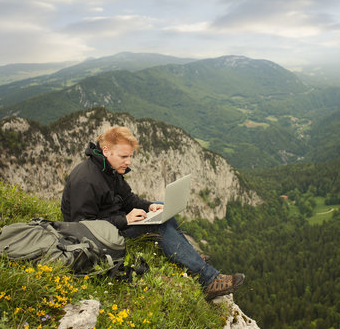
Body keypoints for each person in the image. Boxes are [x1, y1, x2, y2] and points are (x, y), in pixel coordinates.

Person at [61, 126, 244, 299]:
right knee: (157, 226)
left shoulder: (109, 169)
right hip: (96, 238)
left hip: (114, 221)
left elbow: (128, 198)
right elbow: (82, 226)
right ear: (106, 150)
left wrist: (149, 207)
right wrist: (124, 220)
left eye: (130, 156)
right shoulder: (86, 179)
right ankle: (208, 280)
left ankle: (187, 256)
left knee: (162, 209)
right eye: (124, 156)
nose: (128, 162)